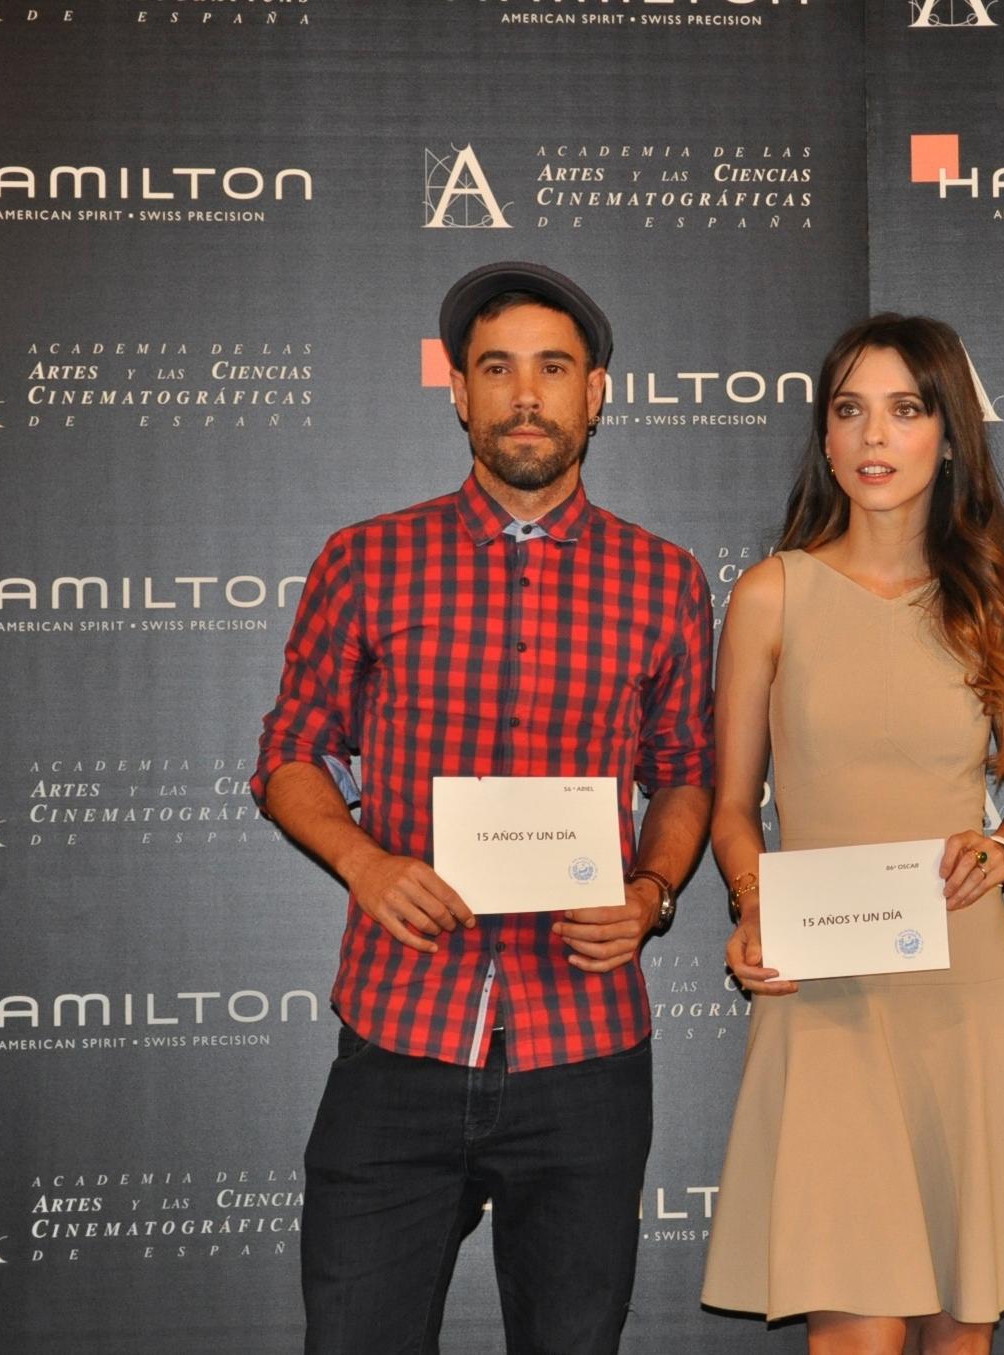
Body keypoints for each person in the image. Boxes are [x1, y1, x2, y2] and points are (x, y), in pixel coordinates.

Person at [251, 261, 715, 1355]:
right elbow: (289, 755)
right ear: (458, 391)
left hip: (586, 1045)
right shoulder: (367, 560)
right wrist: (366, 863)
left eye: (553, 368)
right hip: (400, 1033)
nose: (525, 394)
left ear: (595, 392)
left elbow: (687, 772)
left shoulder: (665, 579)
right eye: (496, 368)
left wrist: (650, 891)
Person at [700, 315, 1004, 1353]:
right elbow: (731, 806)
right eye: (850, 410)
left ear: (948, 435)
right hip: (823, 991)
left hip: (961, 986)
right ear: (825, 438)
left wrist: (1003, 849)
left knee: (959, 1331)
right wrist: (755, 904)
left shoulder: (1003, 606)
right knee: (855, 1330)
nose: (874, 435)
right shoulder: (771, 592)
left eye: (905, 409)